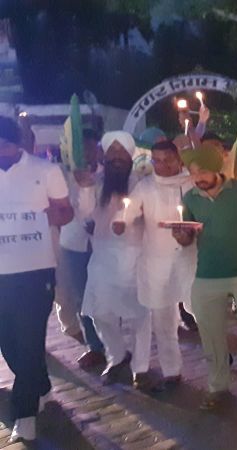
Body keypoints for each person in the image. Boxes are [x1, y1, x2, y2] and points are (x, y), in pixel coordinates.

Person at [172, 143, 237, 409]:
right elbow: (187, 238)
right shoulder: (189, 199)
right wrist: (181, 236)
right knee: (209, 332)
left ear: (216, 168)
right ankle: (217, 385)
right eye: (193, 173)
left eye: (203, 172)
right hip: (208, 274)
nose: (198, 179)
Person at [0, 117, 73, 442]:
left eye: (4, 144)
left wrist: (50, 216)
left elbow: (66, 211)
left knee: (29, 341)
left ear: (16, 143)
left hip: (35, 270)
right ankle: (41, 386)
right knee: (10, 344)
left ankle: (24, 414)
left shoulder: (46, 171)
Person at [111, 140, 196, 391]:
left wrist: (191, 234)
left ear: (178, 159)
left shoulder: (190, 182)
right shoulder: (145, 186)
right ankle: (172, 371)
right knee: (163, 320)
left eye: (167, 159)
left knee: (202, 312)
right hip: (157, 262)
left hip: (189, 258)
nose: (161, 165)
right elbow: (129, 211)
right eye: (156, 160)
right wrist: (120, 222)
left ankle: (219, 363)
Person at [81, 132, 151, 388]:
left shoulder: (142, 182)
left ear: (131, 155)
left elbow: (149, 213)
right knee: (100, 313)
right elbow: (86, 213)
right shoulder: (96, 181)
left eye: (123, 152)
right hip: (102, 257)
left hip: (136, 255)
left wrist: (129, 219)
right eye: (113, 151)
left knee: (139, 316)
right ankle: (117, 355)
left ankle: (140, 368)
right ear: (105, 155)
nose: (118, 157)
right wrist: (85, 187)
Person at [54, 129, 106, 370]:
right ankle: (95, 346)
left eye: (91, 147)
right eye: (81, 148)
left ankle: (114, 345)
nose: (86, 153)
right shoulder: (64, 176)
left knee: (105, 295)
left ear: (99, 149)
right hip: (74, 243)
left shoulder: (109, 176)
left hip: (104, 244)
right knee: (81, 295)